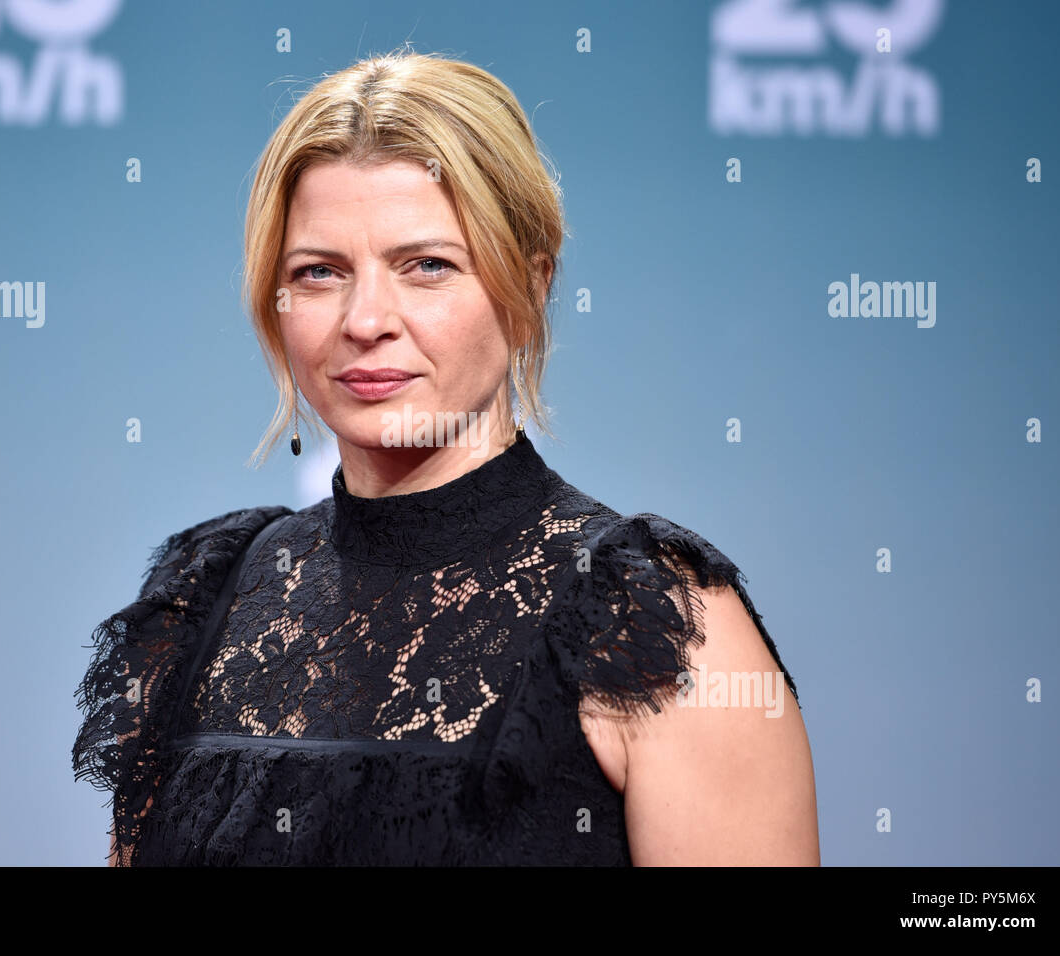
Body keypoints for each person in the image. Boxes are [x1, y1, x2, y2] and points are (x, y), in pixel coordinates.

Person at [72, 48, 819, 866]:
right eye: (319, 272)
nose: (366, 319)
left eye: (426, 266)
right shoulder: (204, 599)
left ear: (530, 288)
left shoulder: (648, 623)